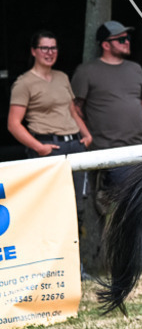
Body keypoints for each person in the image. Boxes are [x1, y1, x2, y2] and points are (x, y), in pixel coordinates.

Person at [72, 21, 142, 270]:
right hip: (110, 150)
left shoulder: (135, 68)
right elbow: (75, 108)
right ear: (105, 45)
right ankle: (141, 258)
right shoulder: (87, 71)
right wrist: (90, 137)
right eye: (121, 39)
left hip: (139, 146)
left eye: (128, 38)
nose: (127, 42)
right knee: (139, 200)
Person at [7, 31, 94, 255]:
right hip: (49, 147)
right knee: (51, 207)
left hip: (74, 145)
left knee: (78, 207)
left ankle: (78, 263)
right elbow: (14, 124)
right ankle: (53, 261)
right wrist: (39, 147)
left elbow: (72, 110)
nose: (50, 53)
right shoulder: (24, 83)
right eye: (44, 48)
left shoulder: (62, 77)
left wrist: (86, 135)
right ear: (34, 51)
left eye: (53, 48)